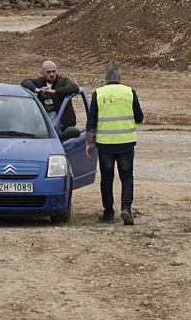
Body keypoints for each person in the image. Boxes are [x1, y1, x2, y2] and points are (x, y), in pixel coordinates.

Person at [92, 62, 142, 226]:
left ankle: (108, 213)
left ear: (105, 78)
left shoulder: (98, 94)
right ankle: (126, 208)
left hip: (105, 144)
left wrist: (88, 143)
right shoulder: (129, 92)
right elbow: (139, 117)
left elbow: (91, 123)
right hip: (126, 143)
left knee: (106, 178)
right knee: (126, 176)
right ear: (119, 77)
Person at [21, 60, 84, 140]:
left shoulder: (63, 81)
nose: (52, 74)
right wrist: (37, 90)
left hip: (63, 126)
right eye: (48, 72)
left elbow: (74, 88)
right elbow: (25, 82)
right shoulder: (40, 82)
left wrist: (55, 92)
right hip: (44, 127)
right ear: (42, 73)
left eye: (53, 71)